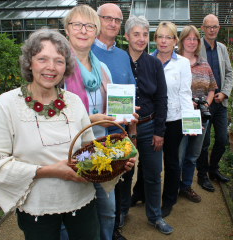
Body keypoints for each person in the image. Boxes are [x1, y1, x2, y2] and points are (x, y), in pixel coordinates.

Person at [0, 28, 135, 240]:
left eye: (59, 61)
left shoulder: (73, 102)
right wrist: (49, 170)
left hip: (80, 199)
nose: (50, 67)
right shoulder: (8, 104)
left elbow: (89, 150)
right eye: (42, 59)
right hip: (38, 206)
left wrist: (115, 161)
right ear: (29, 62)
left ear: (66, 67)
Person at [62, 5, 138, 240]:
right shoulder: (59, 68)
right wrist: (92, 119)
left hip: (103, 149)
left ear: (96, 32)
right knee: (72, 213)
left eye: (90, 26)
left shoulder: (102, 68)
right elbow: (54, 115)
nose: (83, 30)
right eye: (77, 25)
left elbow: (111, 105)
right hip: (73, 152)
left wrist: (123, 113)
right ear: (67, 30)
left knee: (107, 209)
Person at [120, 15, 172, 235]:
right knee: (124, 173)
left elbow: (161, 98)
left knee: (152, 173)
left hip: (149, 126)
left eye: (144, 34)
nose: (141, 39)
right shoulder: (118, 61)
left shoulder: (154, 64)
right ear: (127, 37)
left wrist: (159, 131)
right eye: (136, 34)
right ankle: (121, 212)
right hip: (123, 128)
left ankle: (155, 216)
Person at [91, 3, 136, 240]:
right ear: (97, 20)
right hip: (90, 135)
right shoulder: (85, 51)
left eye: (117, 20)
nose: (113, 23)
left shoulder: (122, 56)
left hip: (117, 132)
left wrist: (132, 130)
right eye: (108, 18)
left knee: (120, 179)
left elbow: (130, 93)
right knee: (94, 187)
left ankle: (113, 229)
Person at [151, 21, 193, 218]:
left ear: (175, 41)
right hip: (150, 120)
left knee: (172, 162)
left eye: (168, 37)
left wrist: (189, 123)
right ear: (155, 39)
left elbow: (185, 93)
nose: (164, 41)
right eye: (160, 36)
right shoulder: (147, 60)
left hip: (174, 119)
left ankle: (168, 200)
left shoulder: (183, 63)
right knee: (148, 162)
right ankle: (141, 194)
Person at [178, 25, 218, 202]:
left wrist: (205, 106)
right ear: (182, 41)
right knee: (178, 154)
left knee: (193, 154)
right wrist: (188, 104)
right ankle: (173, 187)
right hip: (180, 117)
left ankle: (186, 186)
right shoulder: (176, 62)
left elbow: (211, 88)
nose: (192, 42)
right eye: (188, 38)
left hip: (200, 116)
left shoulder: (203, 63)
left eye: (195, 39)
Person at [197, 14, 233, 192]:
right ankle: (202, 175)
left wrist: (225, 93)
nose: (212, 29)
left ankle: (213, 169)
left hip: (220, 103)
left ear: (218, 28)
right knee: (203, 142)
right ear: (202, 28)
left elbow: (229, 73)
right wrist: (204, 99)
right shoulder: (196, 48)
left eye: (215, 26)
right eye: (208, 26)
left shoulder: (222, 49)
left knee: (222, 139)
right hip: (203, 103)